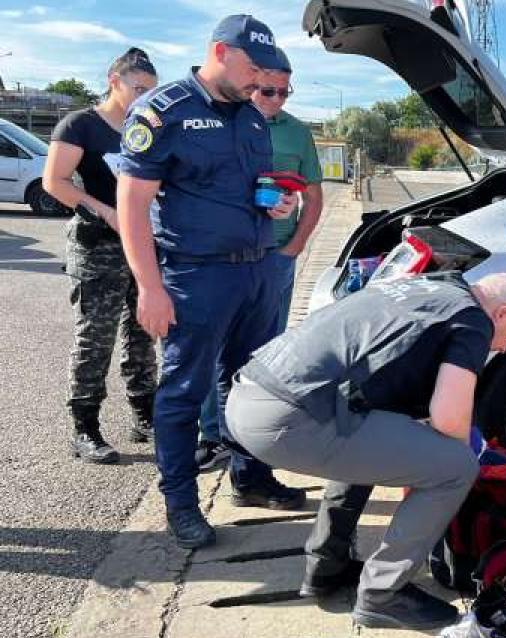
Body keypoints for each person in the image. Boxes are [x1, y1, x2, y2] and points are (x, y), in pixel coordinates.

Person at [226, 272, 506, 629]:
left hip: (249, 393)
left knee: (377, 435)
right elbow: (449, 420)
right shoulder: (474, 319)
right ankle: (383, 594)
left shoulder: (432, 284)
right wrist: (469, 452)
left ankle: (327, 565)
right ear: (502, 312)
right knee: (456, 467)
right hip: (287, 416)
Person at [116, 14, 304, 549]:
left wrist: (277, 204)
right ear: (220, 51)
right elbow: (131, 206)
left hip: (256, 270)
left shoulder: (251, 117)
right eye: (253, 67)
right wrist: (150, 287)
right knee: (184, 390)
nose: (260, 81)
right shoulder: (164, 111)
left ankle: (250, 477)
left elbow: (253, 191)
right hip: (194, 274)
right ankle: (180, 503)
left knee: (253, 384)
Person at [196, 48, 324, 469]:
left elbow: (314, 194)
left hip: (275, 259)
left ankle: (250, 446)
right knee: (216, 351)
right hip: (225, 259)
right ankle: (212, 435)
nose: (275, 99)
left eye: (284, 93)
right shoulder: (220, 125)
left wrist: (295, 246)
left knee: (264, 354)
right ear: (251, 84)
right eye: (267, 90)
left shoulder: (297, 134)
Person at [44, 48, 159, 464]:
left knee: (143, 334)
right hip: (99, 245)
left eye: (151, 91)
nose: (144, 97)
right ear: (115, 81)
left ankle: (145, 416)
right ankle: (84, 427)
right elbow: (54, 182)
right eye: (138, 88)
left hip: (142, 244)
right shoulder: (82, 125)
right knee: (96, 338)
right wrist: (106, 210)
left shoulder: (145, 126)